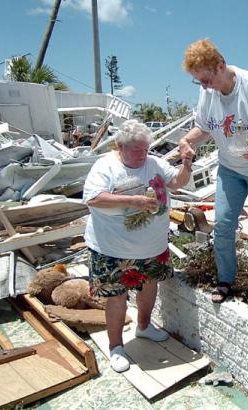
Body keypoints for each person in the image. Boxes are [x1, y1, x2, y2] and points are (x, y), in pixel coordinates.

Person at [179, 38, 248, 303]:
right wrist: (187, 140)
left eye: (205, 79)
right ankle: (225, 280)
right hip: (230, 168)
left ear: (220, 66)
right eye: (198, 82)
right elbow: (204, 128)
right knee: (224, 226)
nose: (203, 87)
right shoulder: (208, 92)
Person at [83, 119, 192, 372]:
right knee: (117, 296)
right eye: (137, 150)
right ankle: (116, 347)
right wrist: (132, 200)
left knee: (149, 286)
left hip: (152, 246)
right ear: (120, 146)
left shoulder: (154, 162)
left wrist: (186, 163)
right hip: (112, 248)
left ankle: (144, 327)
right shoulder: (105, 166)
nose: (143, 154)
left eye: (146, 149)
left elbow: (177, 182)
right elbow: (93, 198)